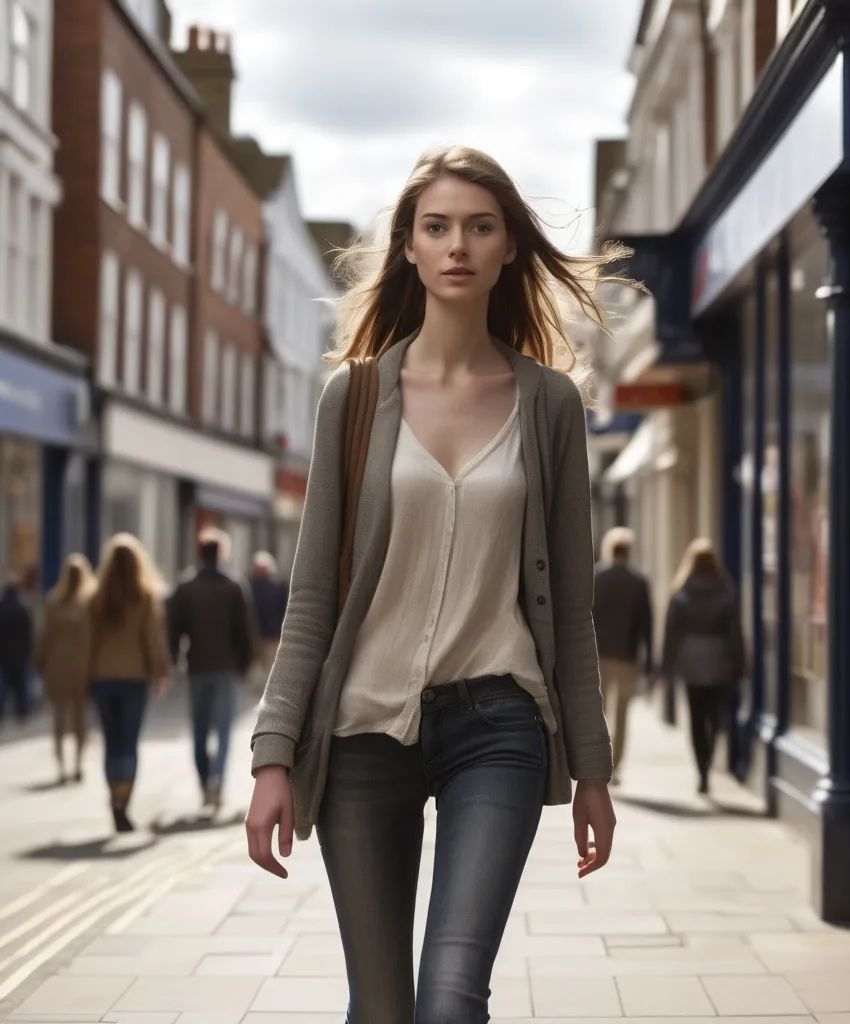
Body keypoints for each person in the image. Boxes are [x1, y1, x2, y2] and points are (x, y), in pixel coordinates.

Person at [245, 144, 633, 1022]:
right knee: (381, 1009)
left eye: (480, 226)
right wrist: (274, 754)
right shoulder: (354, 397)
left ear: (506, 249)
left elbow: (570, 611)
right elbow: (311, 597)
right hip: (361, 729)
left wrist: (593, 770)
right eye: (437, 227)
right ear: (410, 249)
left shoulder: (549, 405)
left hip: (499, 725)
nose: (458, 244)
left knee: (451, 999)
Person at [168, 527, 258, 810]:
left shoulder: (186, 586)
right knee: (223, 730)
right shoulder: (233, 586)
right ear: (221, 553)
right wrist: (245, 663)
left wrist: (173, 661)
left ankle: (205, 783)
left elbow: (173, 630)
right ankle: (218, 782)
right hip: (225, 667)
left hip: (197, 667)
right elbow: (245, 631)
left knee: (199, 730)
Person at [88, 534, 172, 832]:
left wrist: (86, 677)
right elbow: (152, 640)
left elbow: (88, 642)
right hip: (133, 679)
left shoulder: (95, 598)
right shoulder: (144, 597)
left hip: (102, 679)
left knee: (111, 742)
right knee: (128, 742)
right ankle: (124, 803)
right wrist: (161, 672)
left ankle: (114, 799)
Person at [659, 538, 745, 796]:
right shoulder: (726, 590)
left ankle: (702, 770)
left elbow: (671, 634)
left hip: (691, 661)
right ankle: (709, 758)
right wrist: (740, 664)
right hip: (719, 659)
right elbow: (734, 633)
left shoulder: (681, 591)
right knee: (714, 717)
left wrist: (665, 668)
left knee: (696, 719)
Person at [592, 526, 653, 783]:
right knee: (622, 713)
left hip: (599, 656)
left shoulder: (596, 578)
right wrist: (648, 659)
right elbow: (646, 624)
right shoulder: (638, 582)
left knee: (598, 712)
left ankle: (598, 763)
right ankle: (615, 768)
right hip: (627, 656)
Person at [34, 553, 96, 783]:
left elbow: (44, 635)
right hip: (81, 666)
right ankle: (76, 764)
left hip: (59, 665)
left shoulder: (55, 600)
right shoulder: (89, 601)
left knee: (61, 717)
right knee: (78, 718)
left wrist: (38, 660)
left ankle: (64, 767)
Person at [0, 570, 33, 725]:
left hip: (3, 654)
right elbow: (29, 634)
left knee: (3, 686)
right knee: (21, 686)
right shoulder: (23, 608)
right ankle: (22, 713)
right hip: (20, 654)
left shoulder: (2, 608)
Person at [248, 551, 287, 679]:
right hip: (256, 634)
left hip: (270, 634)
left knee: (269, 668)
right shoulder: (248, 588)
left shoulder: (278, 588)